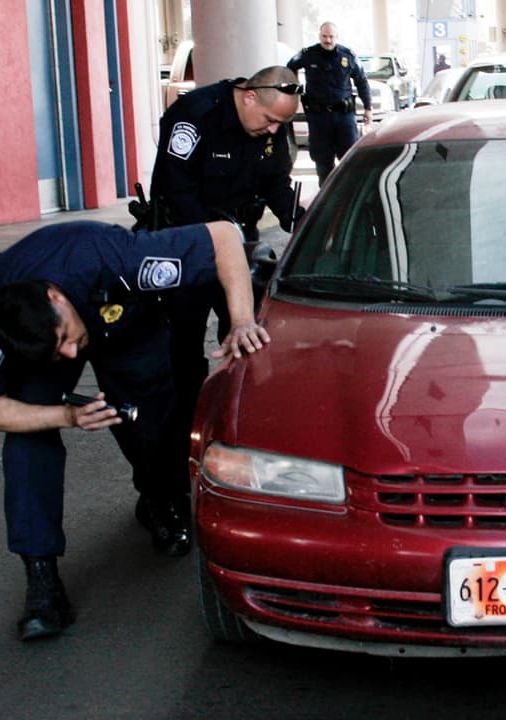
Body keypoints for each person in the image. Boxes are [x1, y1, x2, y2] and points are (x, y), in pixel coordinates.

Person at [0, 219, 271, 641]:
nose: (72, 354)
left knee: (153, 416)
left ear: (56, 298)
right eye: (61, 351)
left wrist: (241, 320)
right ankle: (41, 578)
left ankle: (158, 497)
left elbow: (222, 236)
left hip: (123, 319)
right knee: (28, 438)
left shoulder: (116, 255)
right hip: (47, 332)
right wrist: (65, 416)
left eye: (66, 339)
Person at [143, 67, 302, 566]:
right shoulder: (195, 117)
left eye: (282, 125)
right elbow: (176, 191)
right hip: (185, 251)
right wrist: (222, 238)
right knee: (180, 370)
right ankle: (165, 489)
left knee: (254, 349)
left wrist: (304, 223)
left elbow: (278, 184)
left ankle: (253, 468)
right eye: (270, 121)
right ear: (249, 95)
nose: (274, 131)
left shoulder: (273, 121)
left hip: (241, 251)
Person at [287, 21, 372, 185]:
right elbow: (289, 68)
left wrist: (368, 108)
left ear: (336, 37)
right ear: (319, 36)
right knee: (323, 163)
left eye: (331, 36)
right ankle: (326, 201)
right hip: (319, 119)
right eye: (324, 36)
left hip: (344, 117)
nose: (328, 40)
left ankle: (351, 196)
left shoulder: (348, 55)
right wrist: (296, 89)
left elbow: (362, 82)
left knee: (350, 160)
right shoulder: (308, 54)